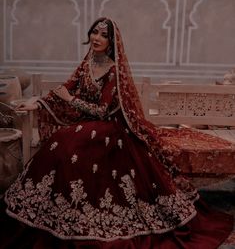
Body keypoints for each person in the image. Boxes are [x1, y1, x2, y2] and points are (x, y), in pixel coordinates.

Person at [0, 17, 233, 248]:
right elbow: (66, 87)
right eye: (94, 32)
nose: (97, 38)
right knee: (61, 143)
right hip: (87, 125)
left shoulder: (113, 71)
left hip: (110, 128)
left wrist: (70, 100)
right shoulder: (87, 64)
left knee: (69, 146)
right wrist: (38, 103)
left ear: (112, 42)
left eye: (103, 35)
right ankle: (49, 212)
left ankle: (85, 214)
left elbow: (101, 110)